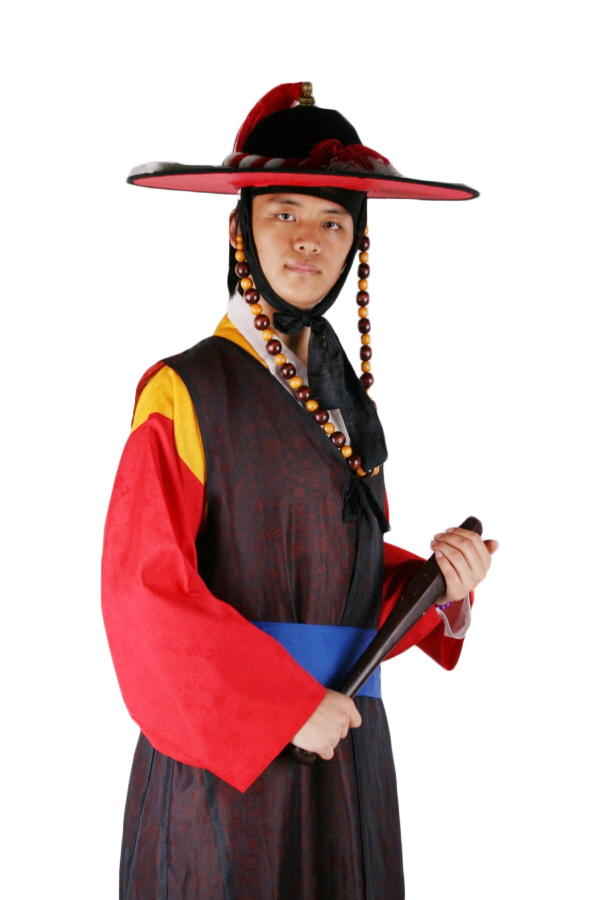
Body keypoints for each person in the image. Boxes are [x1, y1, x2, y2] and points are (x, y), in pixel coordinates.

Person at [102, 81, 499, 900]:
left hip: (349, 750)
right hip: (227, 768)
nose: (309, 240)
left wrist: (441, 589)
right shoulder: (185, 392)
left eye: (333, 222)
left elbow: (329, 578)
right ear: (240, 229)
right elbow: (144, 597)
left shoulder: (343, 402)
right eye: (283, 213)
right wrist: (279, 709)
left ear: (356, 243)